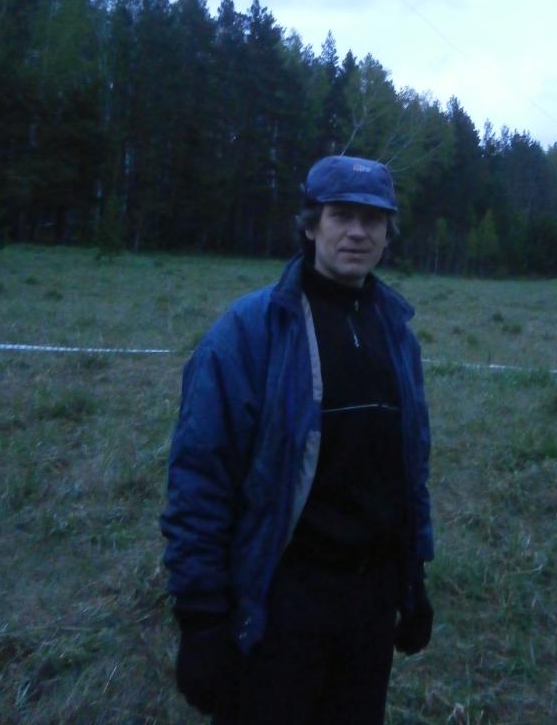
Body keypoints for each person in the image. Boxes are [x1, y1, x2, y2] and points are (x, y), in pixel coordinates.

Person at [160, 155, 434, 725]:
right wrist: (202, 620)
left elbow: (411, 468)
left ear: (387, 234)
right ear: (311, 225)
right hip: (281, 602)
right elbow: (199, 479)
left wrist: (413, 580)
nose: (357, 232)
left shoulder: (396, 333)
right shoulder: (249, 332)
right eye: (341, 215)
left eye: (372, 219)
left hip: (370, 603)